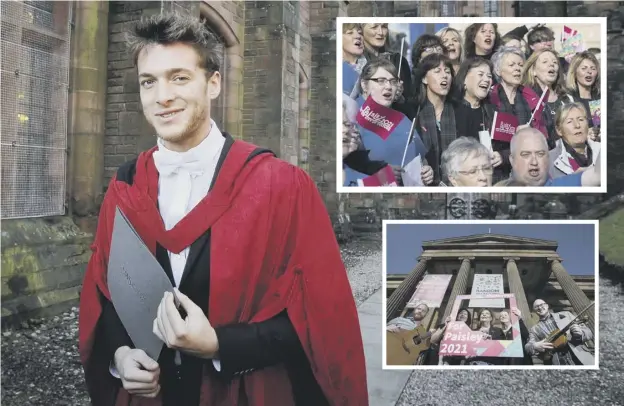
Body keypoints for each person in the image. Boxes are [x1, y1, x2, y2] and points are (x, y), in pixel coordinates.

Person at [78, 13, 368, 406]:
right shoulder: (126, 187)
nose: (162, 95)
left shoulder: (280, 188)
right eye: (150, 81)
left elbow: (319, 322)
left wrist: (220, 344)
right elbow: (107, 293)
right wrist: (120, 356)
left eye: (179, 77)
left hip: (245, 393)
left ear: (213, 83)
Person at [453, 57, 509, 182]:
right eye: (480, 74)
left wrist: (502, 156)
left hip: (489, 178)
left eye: (489, 76)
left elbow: (511, 147)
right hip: (459, 177)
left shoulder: (494, 112)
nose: (486, 79)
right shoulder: (450, 110)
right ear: (464, 80)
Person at [495, 127, 601, 187]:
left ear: (548, 157)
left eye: (540, 154)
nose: (534, 161)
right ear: (512, 160)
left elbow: (597, 175)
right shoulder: (497, 191)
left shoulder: (560, 186)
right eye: (526, 154)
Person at [413, 53, 456, 185]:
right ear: (424, 79)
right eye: (437, 71)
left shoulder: (460, 111)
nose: (444, 75)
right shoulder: (414, 112)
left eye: (447, 72)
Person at [522, 49, 574, 146]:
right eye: (545, 62)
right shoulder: (524, 98)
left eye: (555, 62)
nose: (551, 64)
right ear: (533, 71)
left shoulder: (568, 99)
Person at [525, 299, 593, 365]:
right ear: (534, 310)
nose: (539, 307)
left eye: (541, 304)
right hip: (556, 361)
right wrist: (535, 346)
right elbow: (527, 347)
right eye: (536, 306)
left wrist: (581, 334)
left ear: (547, 305)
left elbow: (588, 332)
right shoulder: (534, 329)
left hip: (579, 355)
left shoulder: (566, 314)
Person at [549, 102, 601, 179]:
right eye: (569, 121)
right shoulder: (549, 160)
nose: (577, 125)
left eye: (581, 119)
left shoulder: (601, 150)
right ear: (559, 130)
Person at [565, 51, 601, 140]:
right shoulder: (568, 99)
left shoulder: (598, 98)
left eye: (593, 68)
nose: (589, 72)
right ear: (575, 72)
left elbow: (598, 125)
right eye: (584, 68)